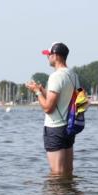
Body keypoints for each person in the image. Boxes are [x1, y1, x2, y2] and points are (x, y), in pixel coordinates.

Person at [26, 42, 80, 177]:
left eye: (48, 54)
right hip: (69, 126)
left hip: (55, 128)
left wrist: (38, 93)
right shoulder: (73, 75)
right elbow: (65, 98)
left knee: (57, 174)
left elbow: (48, 108)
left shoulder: (56, 76)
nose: (47, 57)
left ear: (55, 55)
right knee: (68, 172)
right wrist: (41, 89)